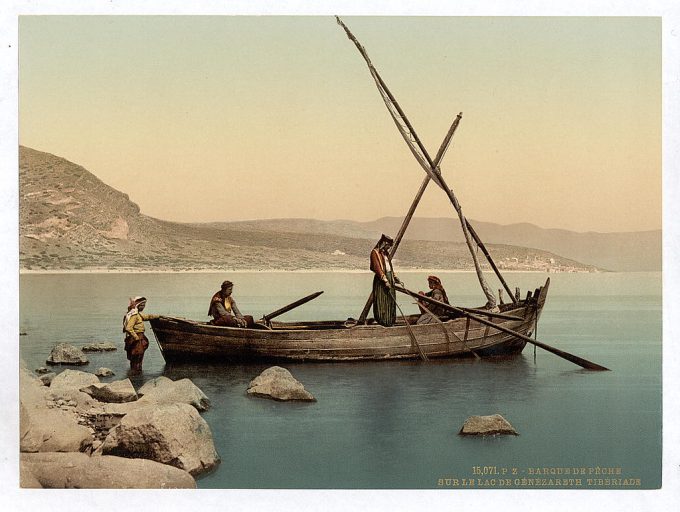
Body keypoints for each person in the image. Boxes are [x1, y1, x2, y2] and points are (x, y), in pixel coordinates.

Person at [370, 234, 401, 327]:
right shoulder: (375, 253)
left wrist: (395, 277)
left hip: (389, 278)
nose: (388, 248)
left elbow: (389, 267)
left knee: (390, 300)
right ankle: (383, 321)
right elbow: (377, 268)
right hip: (381, 281)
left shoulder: (386, 253)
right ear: (383, 243)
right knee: (382, 301)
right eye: (387, 246)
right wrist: (385, 280)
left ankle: (390, 321)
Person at [123, 296, 159, 372]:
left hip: (139, 337)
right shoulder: (134, 315)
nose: (143, 307)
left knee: (138, 356)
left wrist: (158, 316)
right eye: (142, 305)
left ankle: (137, 375)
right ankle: (135, 376)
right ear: (137, 305)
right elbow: (128, 328)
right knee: (136, 356)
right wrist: (136, 337)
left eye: (144, 305)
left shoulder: (138, 314)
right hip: (136, 338)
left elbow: (147, 316)